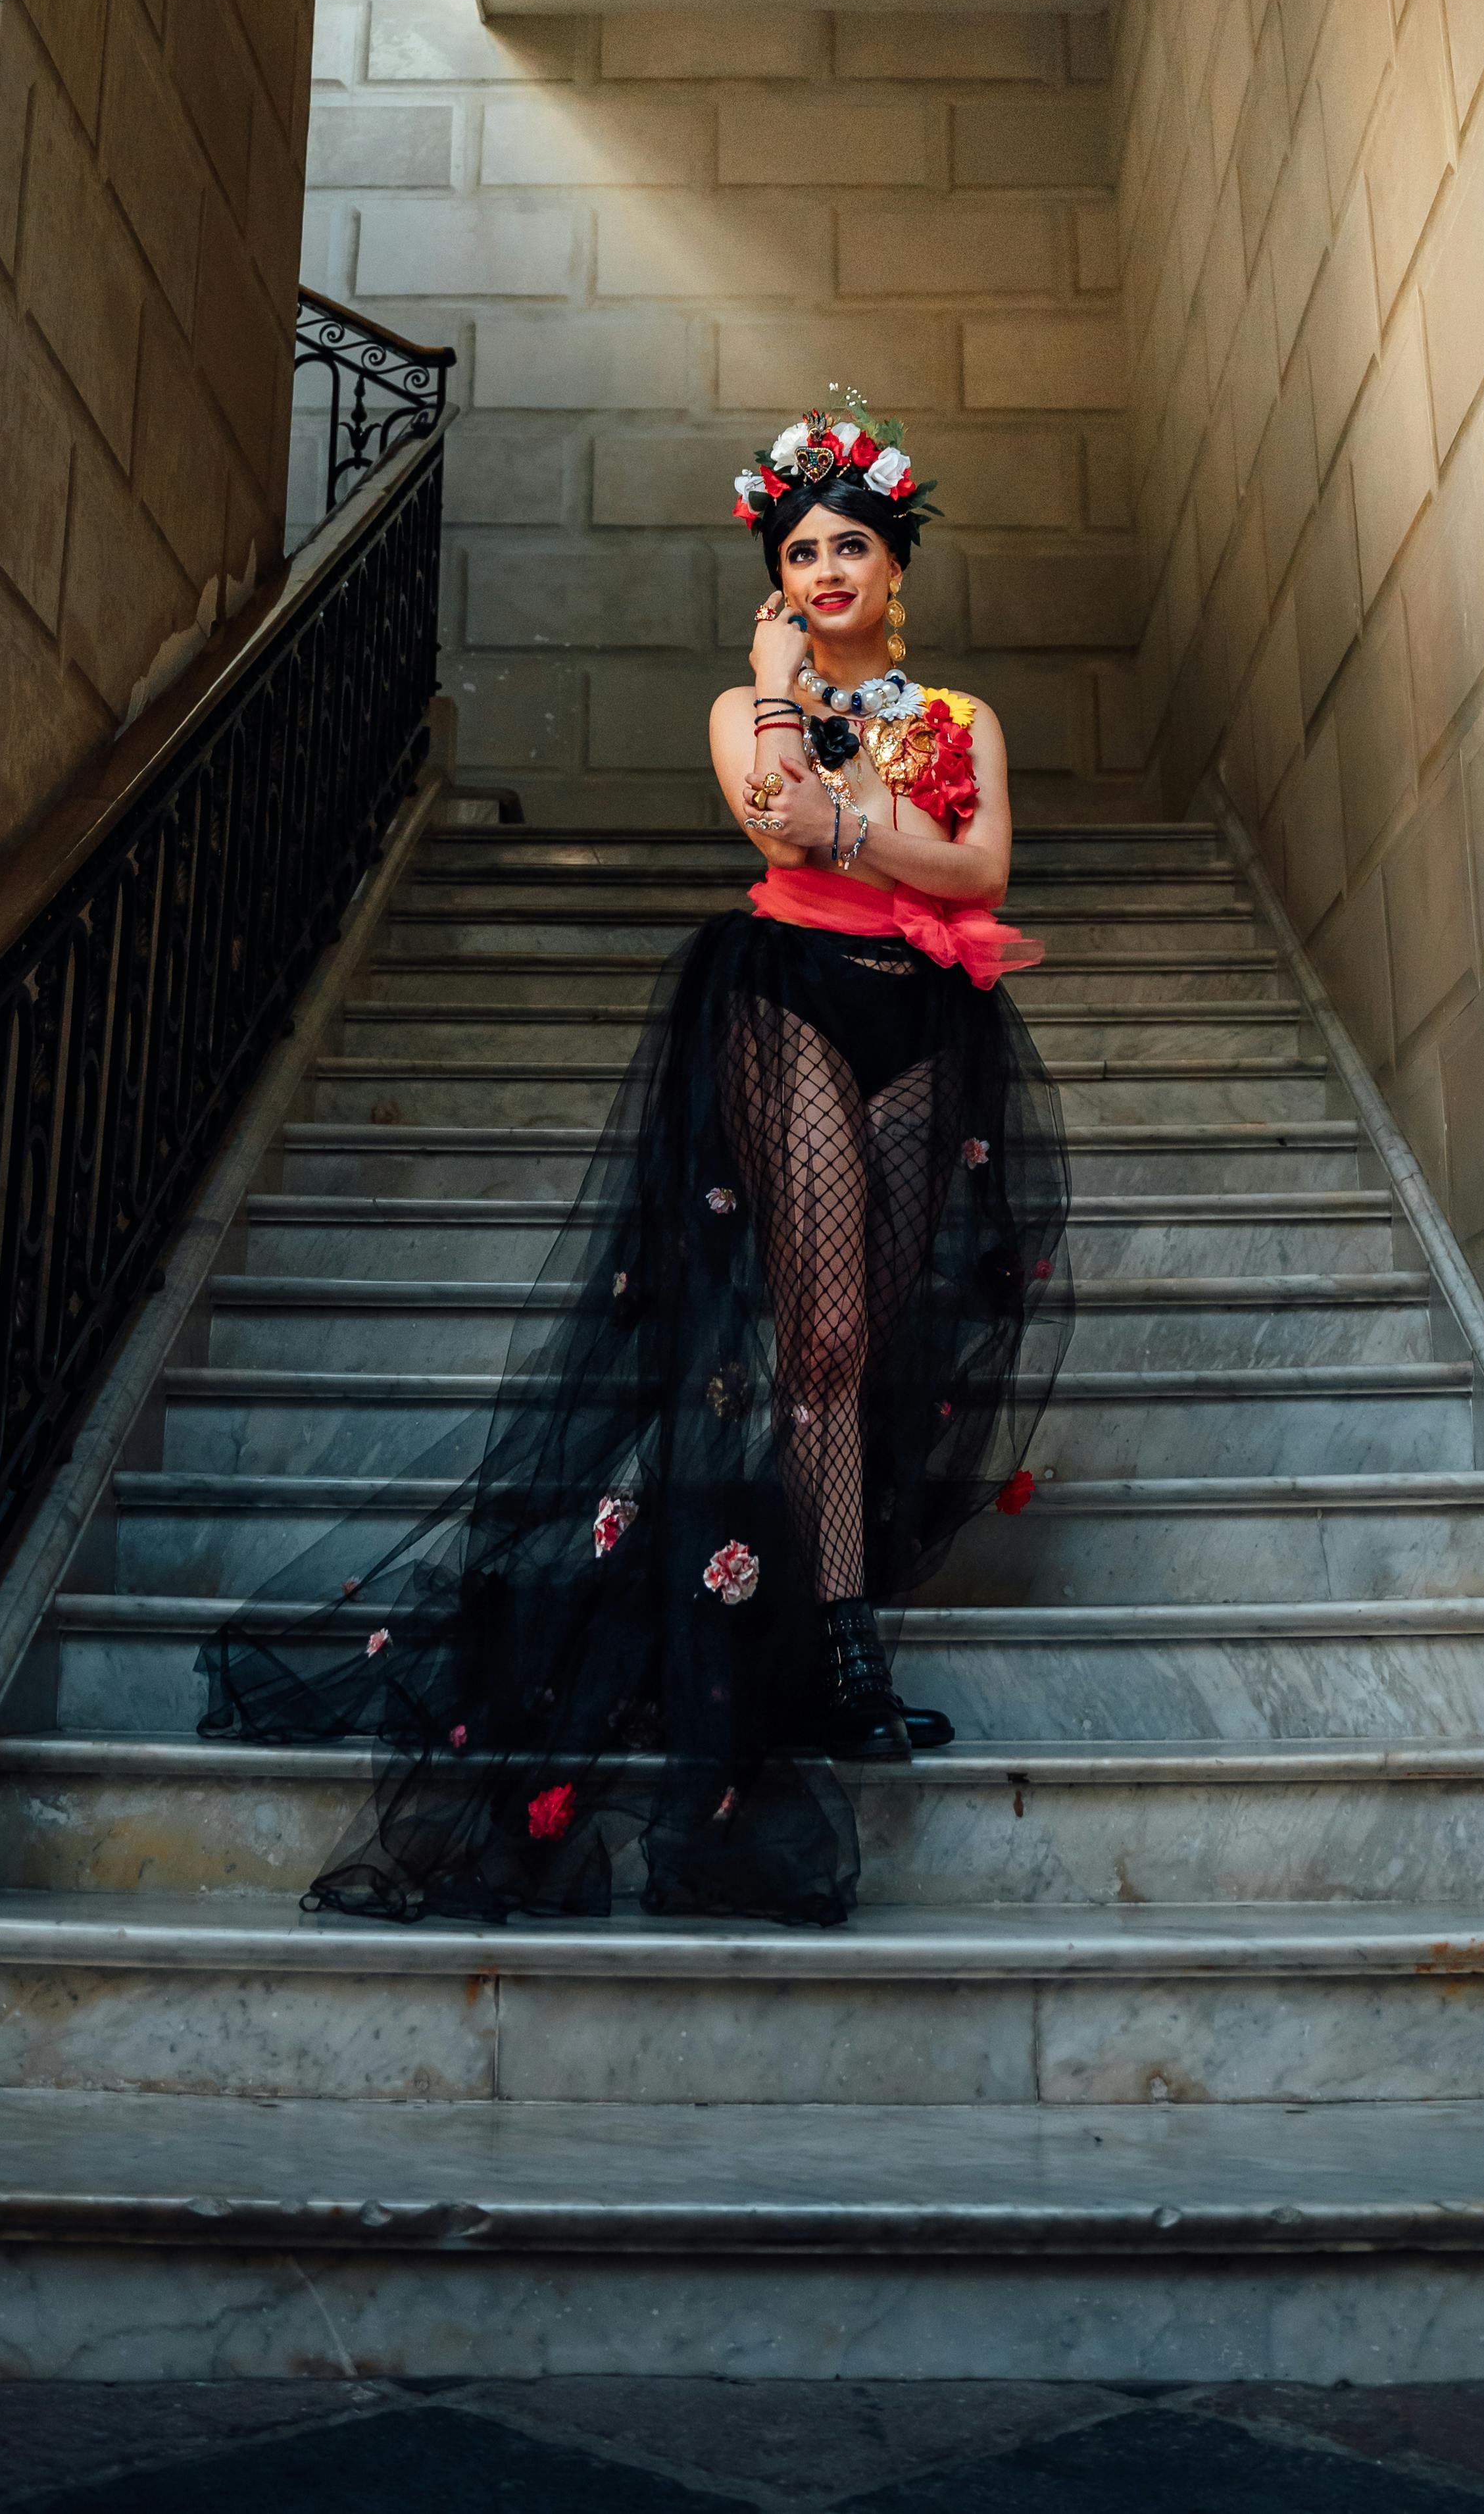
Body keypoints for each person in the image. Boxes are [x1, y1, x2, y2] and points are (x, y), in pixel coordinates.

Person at [197, 397, 1072, 1928]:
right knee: (820, 1333)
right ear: (780, 578)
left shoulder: (965, 719)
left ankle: (822, 1622)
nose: (824, 567)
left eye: (848, 544)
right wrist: (787, 702)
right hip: (785, 997)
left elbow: (981, 868)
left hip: (932, 1021)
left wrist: (853, 813)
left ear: (895, 565)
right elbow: (780, 829)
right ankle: (845, 1640)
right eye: (799, 551)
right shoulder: (752, 700)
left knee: (870, 1344)